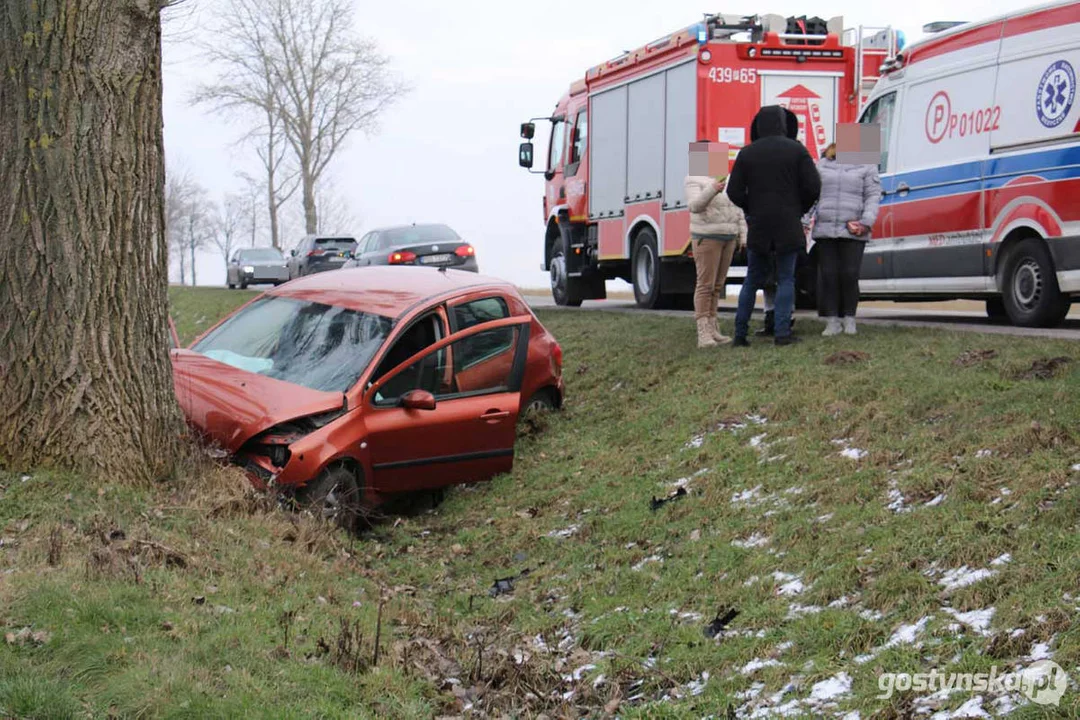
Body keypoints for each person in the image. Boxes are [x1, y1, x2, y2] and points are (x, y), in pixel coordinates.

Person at [726, 106, 821, 346]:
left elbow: (733, 191)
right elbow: (813, 187)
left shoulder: (747, 153)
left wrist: (751, 208)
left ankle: (740, 334)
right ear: (783, 124)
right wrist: (798, 208)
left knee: (752, 279)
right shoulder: (797, 150)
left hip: (759, 223)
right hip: (788, 222)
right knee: (786, 278)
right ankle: (782, 333)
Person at [811, 142, 881, 335]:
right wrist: (805, 220)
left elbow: (873, 196)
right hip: (825, 228)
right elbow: (812, 195)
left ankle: (850, 318)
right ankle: (832, 321)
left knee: (850, 275)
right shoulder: (822, 164)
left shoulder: (867, 166)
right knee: (828, 275)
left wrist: (866, 222)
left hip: (854, 229)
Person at [685, 141, 747, 347]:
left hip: (728, 236)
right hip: (707, 236)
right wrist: (712, 189)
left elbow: (737, 208)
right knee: (705, 285)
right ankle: (702, 331)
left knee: (718, 286)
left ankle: (713, 327)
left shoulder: (727, 179)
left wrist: (742, 233)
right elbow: (695, 206)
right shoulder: (693, 179)